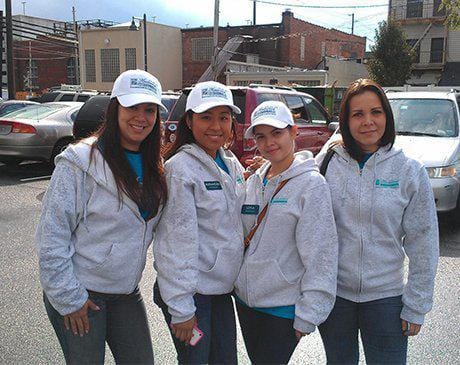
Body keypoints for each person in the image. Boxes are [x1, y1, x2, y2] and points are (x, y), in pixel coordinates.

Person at [35, 69, 168, 364]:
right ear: (115, 108)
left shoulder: (155, 165)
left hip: (125, 292)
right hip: (80, 290)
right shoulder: (80, 162)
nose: (141, 117)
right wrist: (69, 299)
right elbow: (52, 236)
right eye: (132, 106)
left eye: (149, 110)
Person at [316, 78, 439, 365]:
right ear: (345, 121)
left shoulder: (409, 170)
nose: (368, 121)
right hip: (335, 296)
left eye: (376, 112)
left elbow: (424, 241)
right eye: (357, 114)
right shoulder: (329, 162)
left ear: (387, 116)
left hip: (386, 300)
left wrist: (416, 305)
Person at [234, 101, 339, 365]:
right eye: (261, 136)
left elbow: (321, 254)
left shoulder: (311, 185)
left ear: (293, 132)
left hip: (283, 307)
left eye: (277, 133)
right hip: (246, 303)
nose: (269, 142)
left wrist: (310, 311)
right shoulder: (256, 179)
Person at [153, 81, 246, 364]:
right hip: (192, 295)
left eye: (224, 117)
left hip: (220, 291)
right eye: (206, 117)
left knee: (225, 360)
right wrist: (181, 308)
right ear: (189, 122)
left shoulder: (230, 163)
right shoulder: (180, 170)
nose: (216, 126)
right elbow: (174, 243)